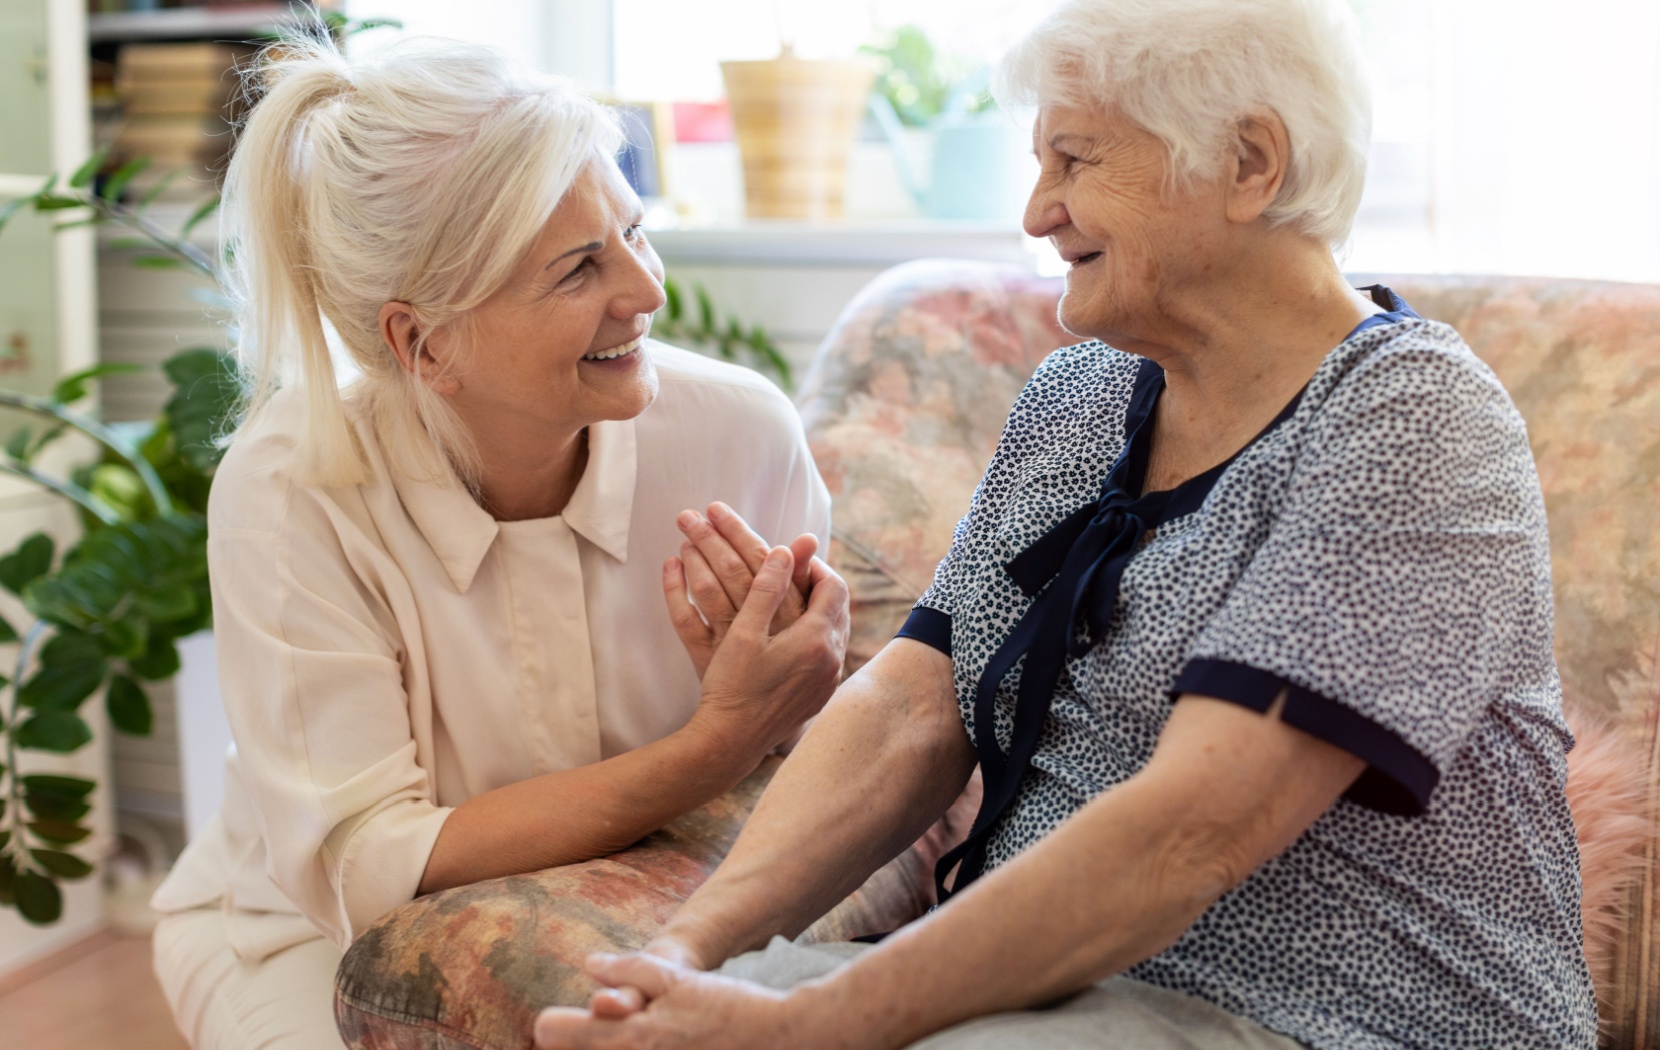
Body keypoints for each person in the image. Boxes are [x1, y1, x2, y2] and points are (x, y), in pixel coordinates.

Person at [532, 1, 1599, 1047]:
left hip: (1333, 1016)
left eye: (1076, 161)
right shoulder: (1082, 395)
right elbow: (913, 706)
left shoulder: (1410, 423)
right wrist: (686, 955)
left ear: (1249, 164)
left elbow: (1192, 832)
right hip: (1061, 994)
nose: (1038, 213)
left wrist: (810, 1023)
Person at [147, 34, 847, 1050]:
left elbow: (808, 737)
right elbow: (377, 864)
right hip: (305, 940)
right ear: (421, 344)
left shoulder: (735, 432)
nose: (646, 292)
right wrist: (716, 743)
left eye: (634, 232)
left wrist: (784, 702)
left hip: (618, 909)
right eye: (578, 268)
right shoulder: (292, 488)